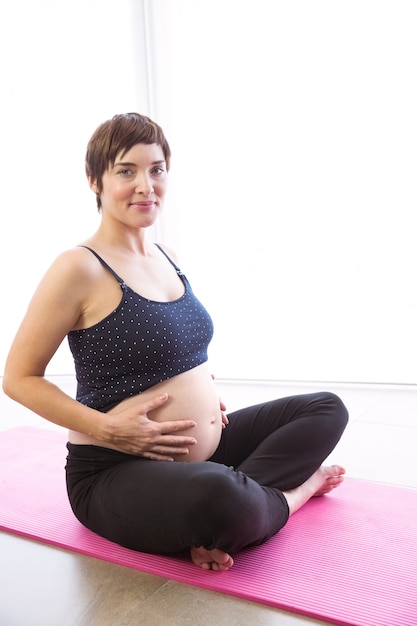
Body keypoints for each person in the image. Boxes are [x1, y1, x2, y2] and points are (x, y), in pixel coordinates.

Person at [3, 112, 348, 571]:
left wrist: (203, 393)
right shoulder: (78, 267)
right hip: (114, 470)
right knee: (220, 495)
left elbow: (178, 348)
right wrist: (105, 428)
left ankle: (226, 512)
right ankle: (294, 493)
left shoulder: (169, 256)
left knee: (326, 408)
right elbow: (18, 378)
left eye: (157, 169)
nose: (146, 185)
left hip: (200, 451)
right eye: (126, 171)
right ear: (95, 181)